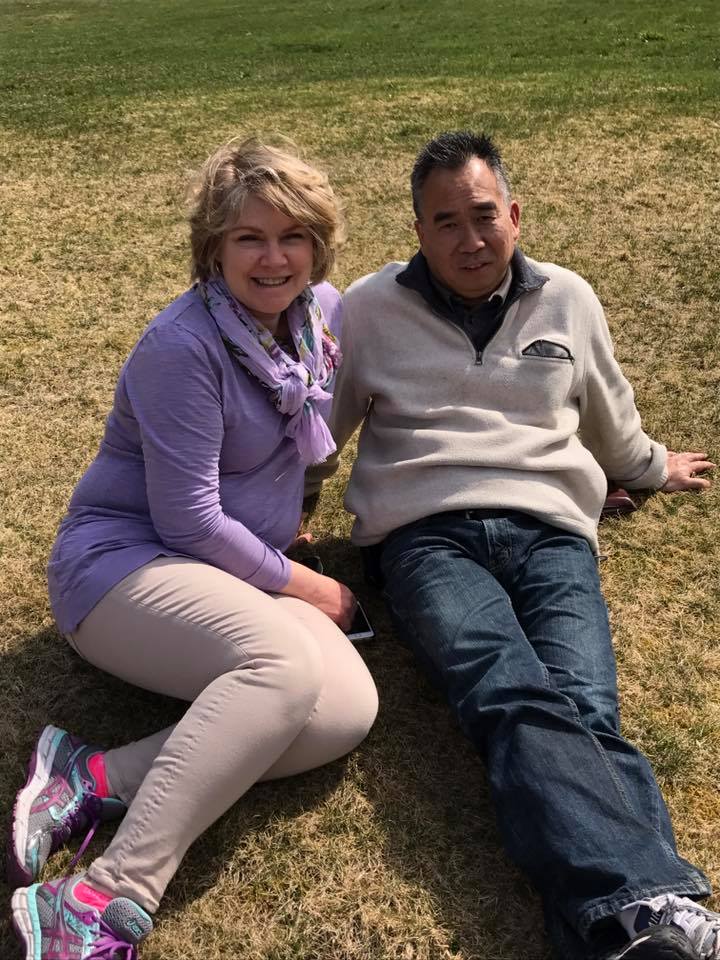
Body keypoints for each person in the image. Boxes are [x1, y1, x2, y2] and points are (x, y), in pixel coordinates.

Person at [307, 131, 717, 960]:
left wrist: (649, 468)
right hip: (424, 536)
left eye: (484, 215)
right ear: (419, 232)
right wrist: (284, 512)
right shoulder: (368, 308)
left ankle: (627, 936)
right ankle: (656, 904)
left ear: (515, 215)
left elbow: (609, 413)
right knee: (506, 687)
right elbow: (319, 430)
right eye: (445, 222)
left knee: (586, 708)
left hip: (551, 529)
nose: (470, 239)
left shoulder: (568, 297)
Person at [8, 138, 378, 960]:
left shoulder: (320, 316)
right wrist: (312, 588)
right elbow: (188, 522)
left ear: (319, 242)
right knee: (283, 670)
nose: (274, 258)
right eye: (250, 238)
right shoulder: (182, 347)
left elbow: (305, 439)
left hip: (227, 568)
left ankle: (91, 778)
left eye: (293, 236)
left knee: (344, 713)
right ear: (213, 249)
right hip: (123, 568)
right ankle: (103, 895)